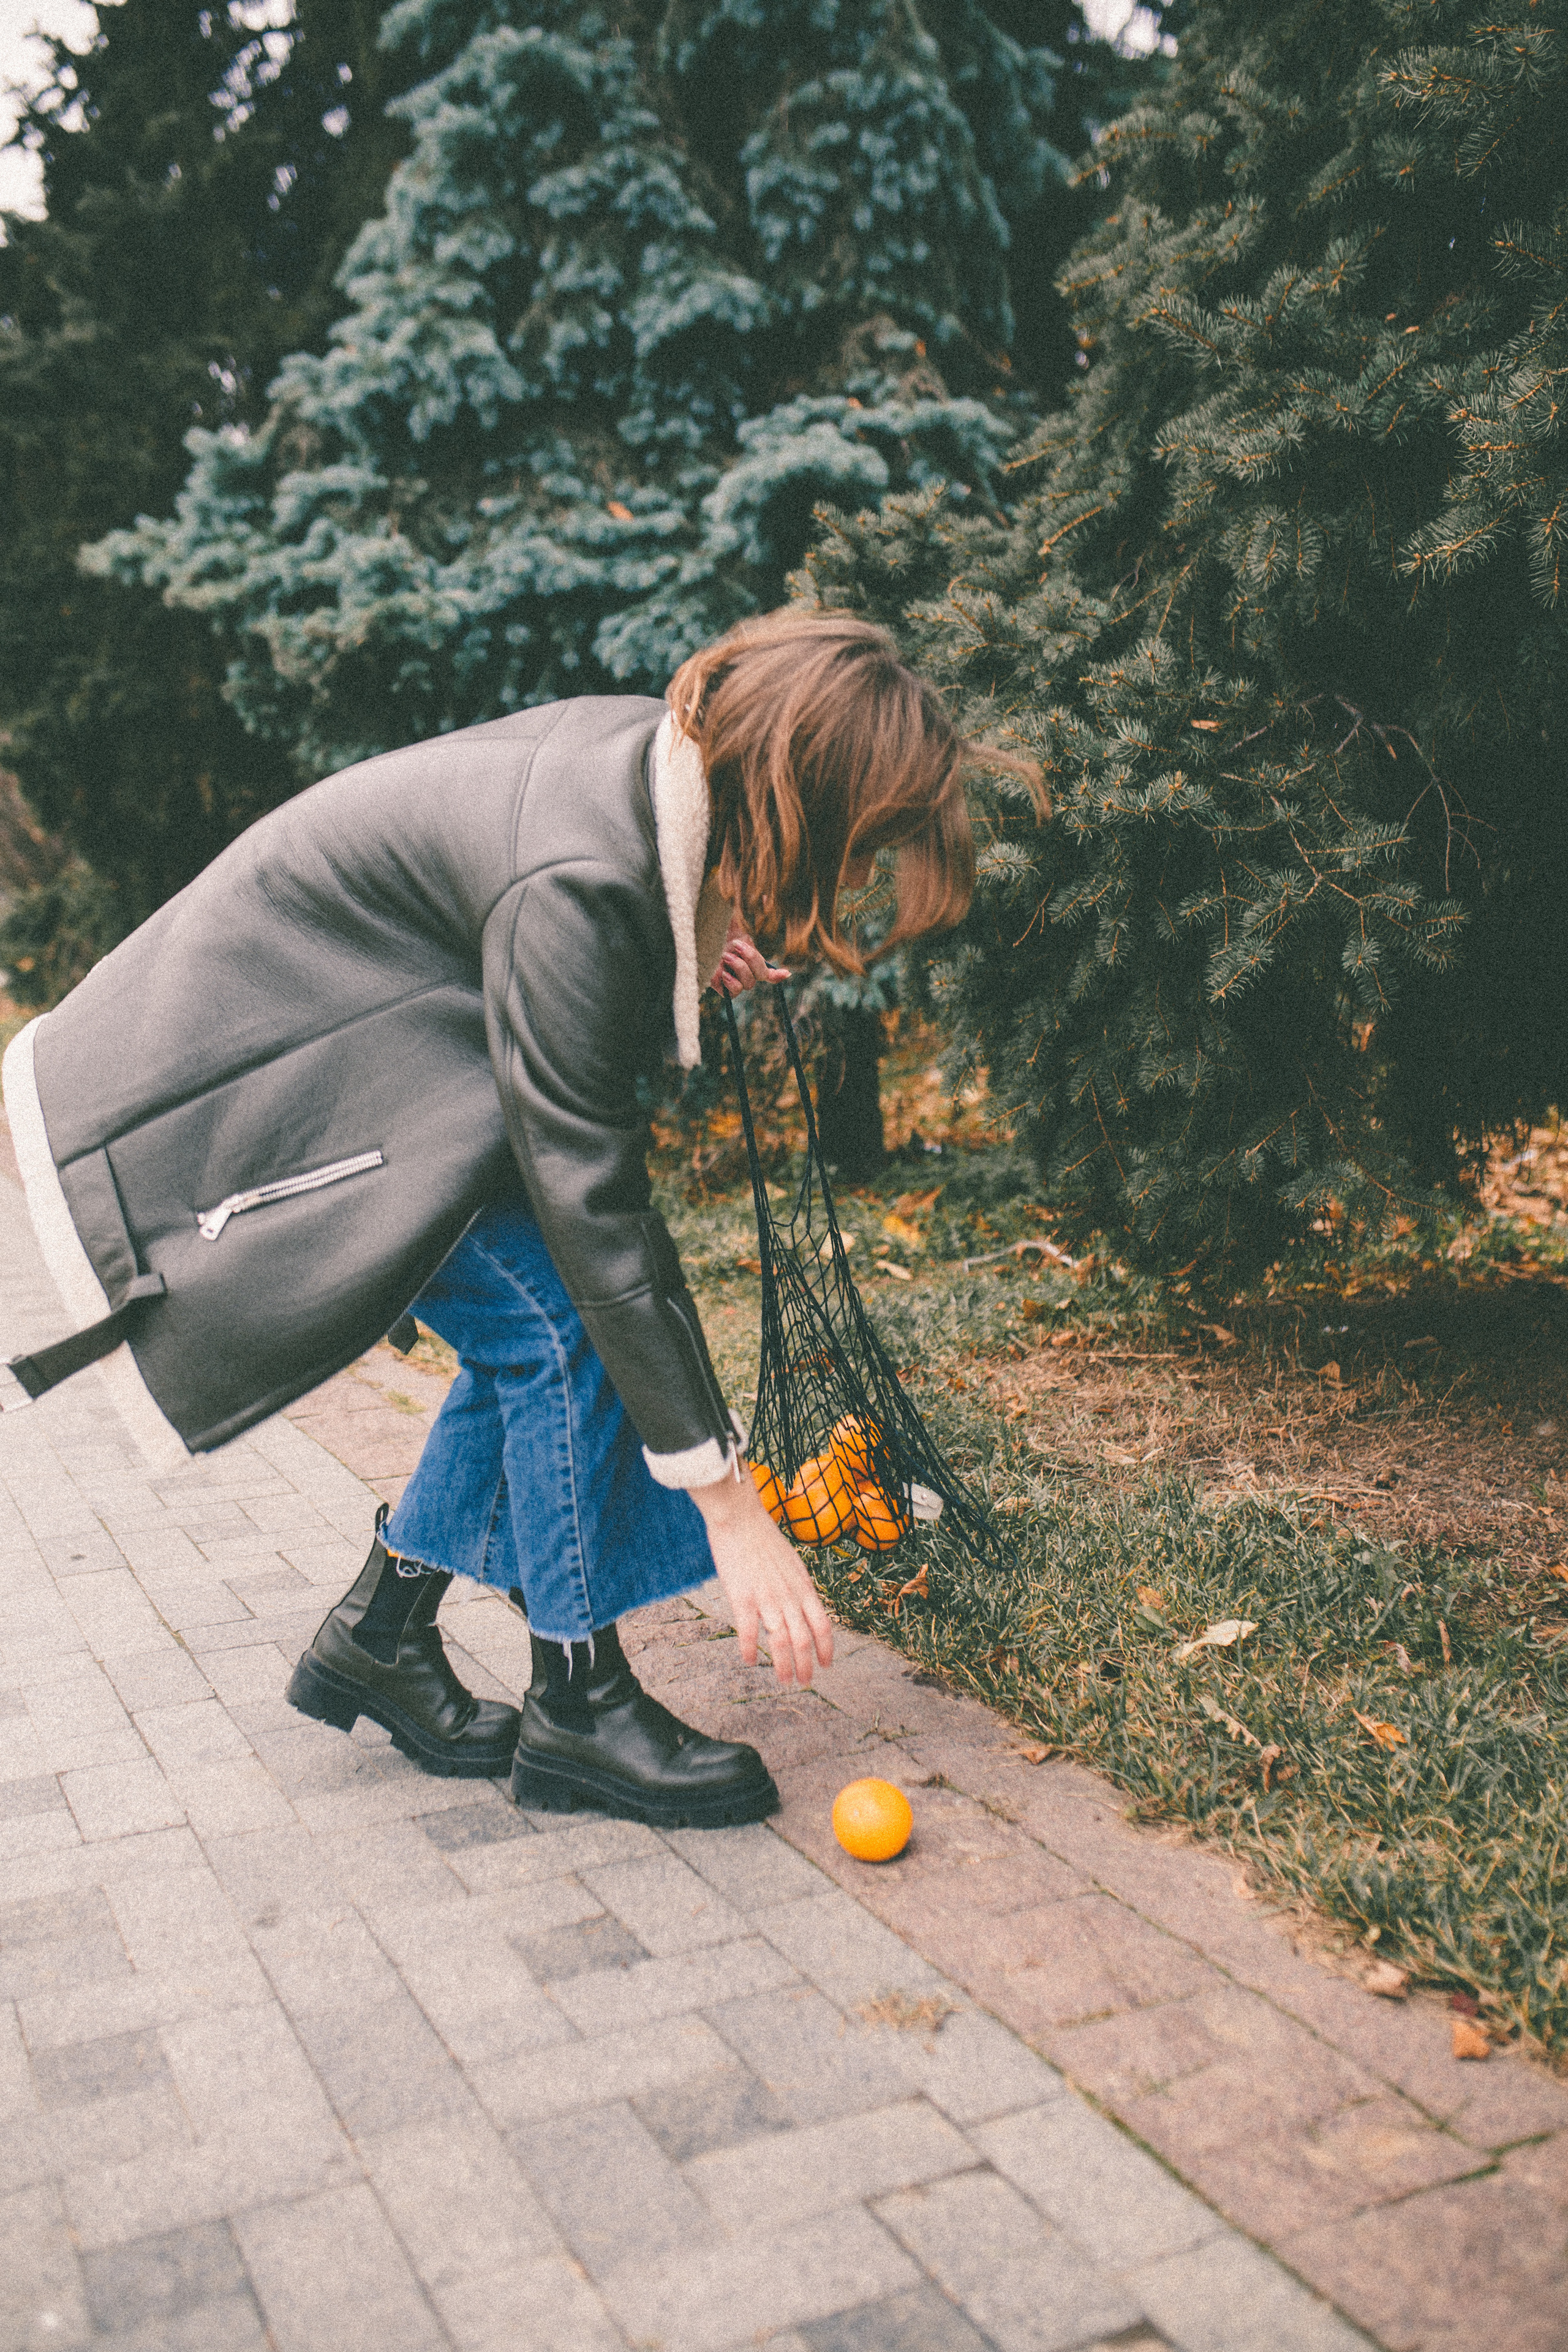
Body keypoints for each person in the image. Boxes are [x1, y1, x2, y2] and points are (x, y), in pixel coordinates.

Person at [2, 609, 1039, 1827]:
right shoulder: (582, 880)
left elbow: (548, 923)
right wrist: (733, 1510)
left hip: (383, 1070)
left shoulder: (654, 773)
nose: (858, 878)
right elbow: (593, 1201)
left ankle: (380, 1634)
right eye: (861, 847)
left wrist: (697, 938)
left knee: (526, 1335)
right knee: (559, 1330)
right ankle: (579, 1707)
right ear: (799, 799)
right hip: (261, 1100)